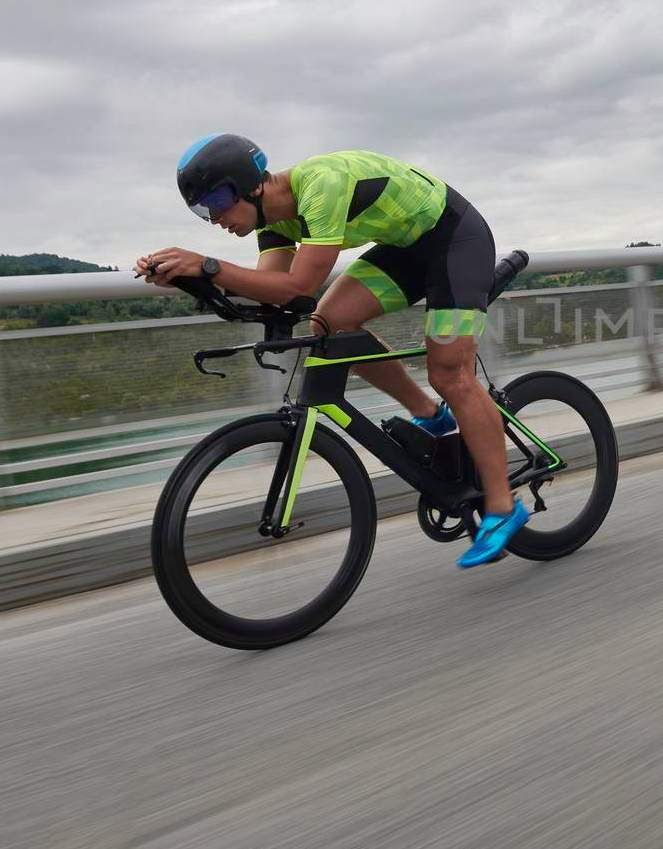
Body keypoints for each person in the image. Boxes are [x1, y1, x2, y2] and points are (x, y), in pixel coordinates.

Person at [135, 133, 526, 568]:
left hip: (454, 238)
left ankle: (502, 507)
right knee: (329, 322)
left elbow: (298, 285)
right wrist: (190, 279)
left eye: (215, 202)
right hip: (406, 250)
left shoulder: (321, 186)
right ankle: (431, 415)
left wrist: (207, 264)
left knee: (450, 374)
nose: (214, 219)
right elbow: (271, 293)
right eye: (202, 212)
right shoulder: (273, 222)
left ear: (251, 184)